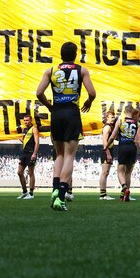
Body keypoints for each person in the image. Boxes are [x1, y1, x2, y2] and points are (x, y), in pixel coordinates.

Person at [36, 41, 96, 212]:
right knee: (70, 155)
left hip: (57, 114)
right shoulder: (81, 70)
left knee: (59, 155)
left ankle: (55, 188)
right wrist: (89, 101)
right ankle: (61, 197)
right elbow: (92, 93)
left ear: (61, 55)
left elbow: (39, 92)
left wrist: (49, 106)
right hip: (72, 112)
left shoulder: (51, 70)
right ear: (75, 54)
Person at [106, 104, 140, 202]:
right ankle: (125, 195)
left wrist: (107, 145)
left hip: (123, 146)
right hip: (132, 147)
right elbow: (139, 140)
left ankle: (124, 188)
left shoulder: (121, 121)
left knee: (120, 170)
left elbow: (113, 136)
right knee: (128, 173)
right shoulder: (137, 123)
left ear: (124, 112)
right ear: (132, 112)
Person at [16, 112, 41, 200]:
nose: (26, 122)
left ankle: (31, 193)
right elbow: (26, 142)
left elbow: (37, 142)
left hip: (31, 153)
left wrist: (34, 153)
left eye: (27, 120)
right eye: (24, 121)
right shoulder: (24, 130)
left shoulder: (34, 129)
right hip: (24, 153)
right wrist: (22, 141)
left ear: (31, 120)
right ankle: (24, 192)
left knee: (30, 173)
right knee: (19, 172)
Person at [99, 109, 116, 200]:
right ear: (107, 118)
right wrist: (108, 154)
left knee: (106, 172)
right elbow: (104, 142)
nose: (113, 119)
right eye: (111, 117)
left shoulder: (110, 127)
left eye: (114, 117)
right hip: (107, 151)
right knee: (104, 172)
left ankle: (104, 194)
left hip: (109, 150)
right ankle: (103, 194)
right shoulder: (107, 127)